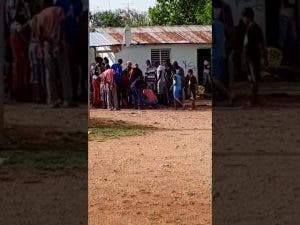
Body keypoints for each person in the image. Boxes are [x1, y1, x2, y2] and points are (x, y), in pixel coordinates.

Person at [241, 7, 266, 105]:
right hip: (249, 56)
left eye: (244, 17)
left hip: (253, 56)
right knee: (251, 77)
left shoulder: (254, 28)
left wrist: (264, 56)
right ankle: (254, 99)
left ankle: (254, 99)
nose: (243, 19)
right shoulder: (250, 28)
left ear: (248, 17)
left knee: (253, 78)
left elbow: (260, 44)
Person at [212, 7, 233, 105]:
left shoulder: (213, 25)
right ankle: (215, 100)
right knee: (218, 79)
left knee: (214, 79)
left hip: (215, 55)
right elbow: (227, 40)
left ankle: (229, 94)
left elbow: (213, 40)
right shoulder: (222, 25)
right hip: (222, 54)